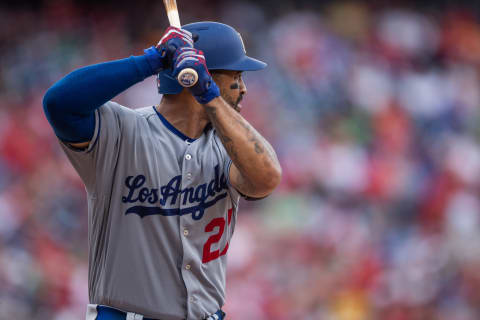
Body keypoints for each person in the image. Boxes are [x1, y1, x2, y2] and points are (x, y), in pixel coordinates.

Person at [42, 21, 282, 320]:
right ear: (194, 75)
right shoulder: (121, 131)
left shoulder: (229, 144)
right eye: (235, 75)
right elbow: (59, 103)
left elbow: (266, 179)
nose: (243, 88)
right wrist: (151, 61)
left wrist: (208, 95)